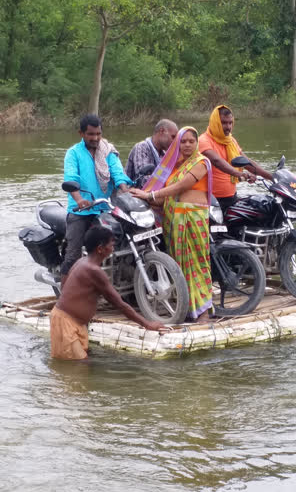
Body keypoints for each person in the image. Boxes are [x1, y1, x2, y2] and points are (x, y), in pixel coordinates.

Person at [129, 127, 213, 323]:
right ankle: (186, 309)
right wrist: (141, 196)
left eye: (191, 141)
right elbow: (168, 194)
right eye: (183, 142)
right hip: (174, 220)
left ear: (196, 143)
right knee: (179, 265)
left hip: (193, 219)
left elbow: (183, 186)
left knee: (198, 264)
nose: (187, 145)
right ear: (177, 144)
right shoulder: (173, 166)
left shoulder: (202, 162)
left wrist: (150, 194)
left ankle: (204, 311)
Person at [50, 226, 165, 360]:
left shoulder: (83, 261)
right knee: (78, 369)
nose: (113, 248)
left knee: (76, 369)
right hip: (66, 323)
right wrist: (147, 324)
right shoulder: (93, 270)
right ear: (100, 249)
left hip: (73, 322)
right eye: (111, 244)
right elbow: (119, 304)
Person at [61, 114, 132, 276]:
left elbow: (117, 172)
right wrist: (79, 200)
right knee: (73, 256)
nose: (95, 138)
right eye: (91, 134)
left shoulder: (107, 151)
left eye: (98, 134)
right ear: (81, 134)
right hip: (81, 211)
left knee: (120, 244)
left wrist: (124, 189)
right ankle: (64, 298)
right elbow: (71, 178)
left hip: (105, 208)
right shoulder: (73, 153)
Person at [198, 105, 273, 212]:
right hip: (211, 201)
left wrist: (271, 177)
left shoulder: (230, 141)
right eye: (224, 123)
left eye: (230, 123)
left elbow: (247, 162)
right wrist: (239, 174)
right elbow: (217, 161)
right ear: (215, 122)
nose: (228, 127)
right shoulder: (203, 140)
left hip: (231, 197)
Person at [124, 119, 179, 185]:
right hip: (132, 192)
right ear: (162, 131)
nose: (174, 142)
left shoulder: (164, 154)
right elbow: (143, 179)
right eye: (173, 137)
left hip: (153, 192)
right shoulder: (141, 147)